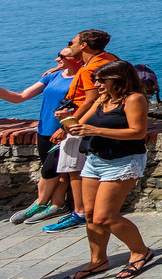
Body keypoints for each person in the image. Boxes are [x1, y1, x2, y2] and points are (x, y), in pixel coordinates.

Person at [54, 61, 154, 279]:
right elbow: (81, 123)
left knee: (105, 217)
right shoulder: (102, 99)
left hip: (123, 161)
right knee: (89, 215)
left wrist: (94, 130)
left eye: (101, 80)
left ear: (118, 80)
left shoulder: (134, 99)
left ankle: (140, 252)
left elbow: (138, 133)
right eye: (96, 80)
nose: (96, 85)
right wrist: (67, 121)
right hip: (95, 159)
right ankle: (97, 260)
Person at [0, 47, 83, 225]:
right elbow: (19, 97)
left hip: (64, 131)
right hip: (44, 130)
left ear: (78, 59)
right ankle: (57, 206)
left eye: (62, 56)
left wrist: (66, 129)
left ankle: (39, 203)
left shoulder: (83, 77)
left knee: (49, 170)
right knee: (58, 173)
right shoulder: (53, 76)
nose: (56, 59)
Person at [46, 30, 117, 231]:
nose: (70, 45)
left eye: (72, 42)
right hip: (102, 119)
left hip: (80, 121)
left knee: (74, 169)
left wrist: (68, 127)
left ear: (84, 45)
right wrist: (58, 68)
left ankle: (80, 212)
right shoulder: (108, 59)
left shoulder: (88, 71)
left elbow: (90, 100)